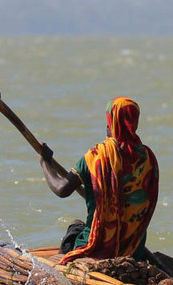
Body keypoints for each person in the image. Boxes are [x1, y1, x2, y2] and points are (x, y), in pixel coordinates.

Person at [40, 96, 159, 265]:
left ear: (111, 121)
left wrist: (45, 163)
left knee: (74, 230)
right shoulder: (148, 158)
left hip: (97, 248)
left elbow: (61, 189)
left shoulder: (98, 156)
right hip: (133, 250)